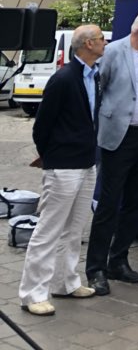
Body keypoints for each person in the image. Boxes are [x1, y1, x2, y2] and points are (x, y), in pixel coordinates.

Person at [18, 25, 106, 316]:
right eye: (101, 39)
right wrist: (49, 155)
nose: (105, 43)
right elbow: (42, 124)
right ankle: (33, 292)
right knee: (49, 229)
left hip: (86, 161)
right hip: (64, 165)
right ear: (89, 44)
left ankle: (65, 282)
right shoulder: (64, 78)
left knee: (75, 227)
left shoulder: (93, 76)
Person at [86, 10, 138, 296]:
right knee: (109, 203)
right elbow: (97, 91)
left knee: (136, 202)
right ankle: (95, 268)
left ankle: (118, 260)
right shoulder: (113, 52)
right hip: (119, 138)